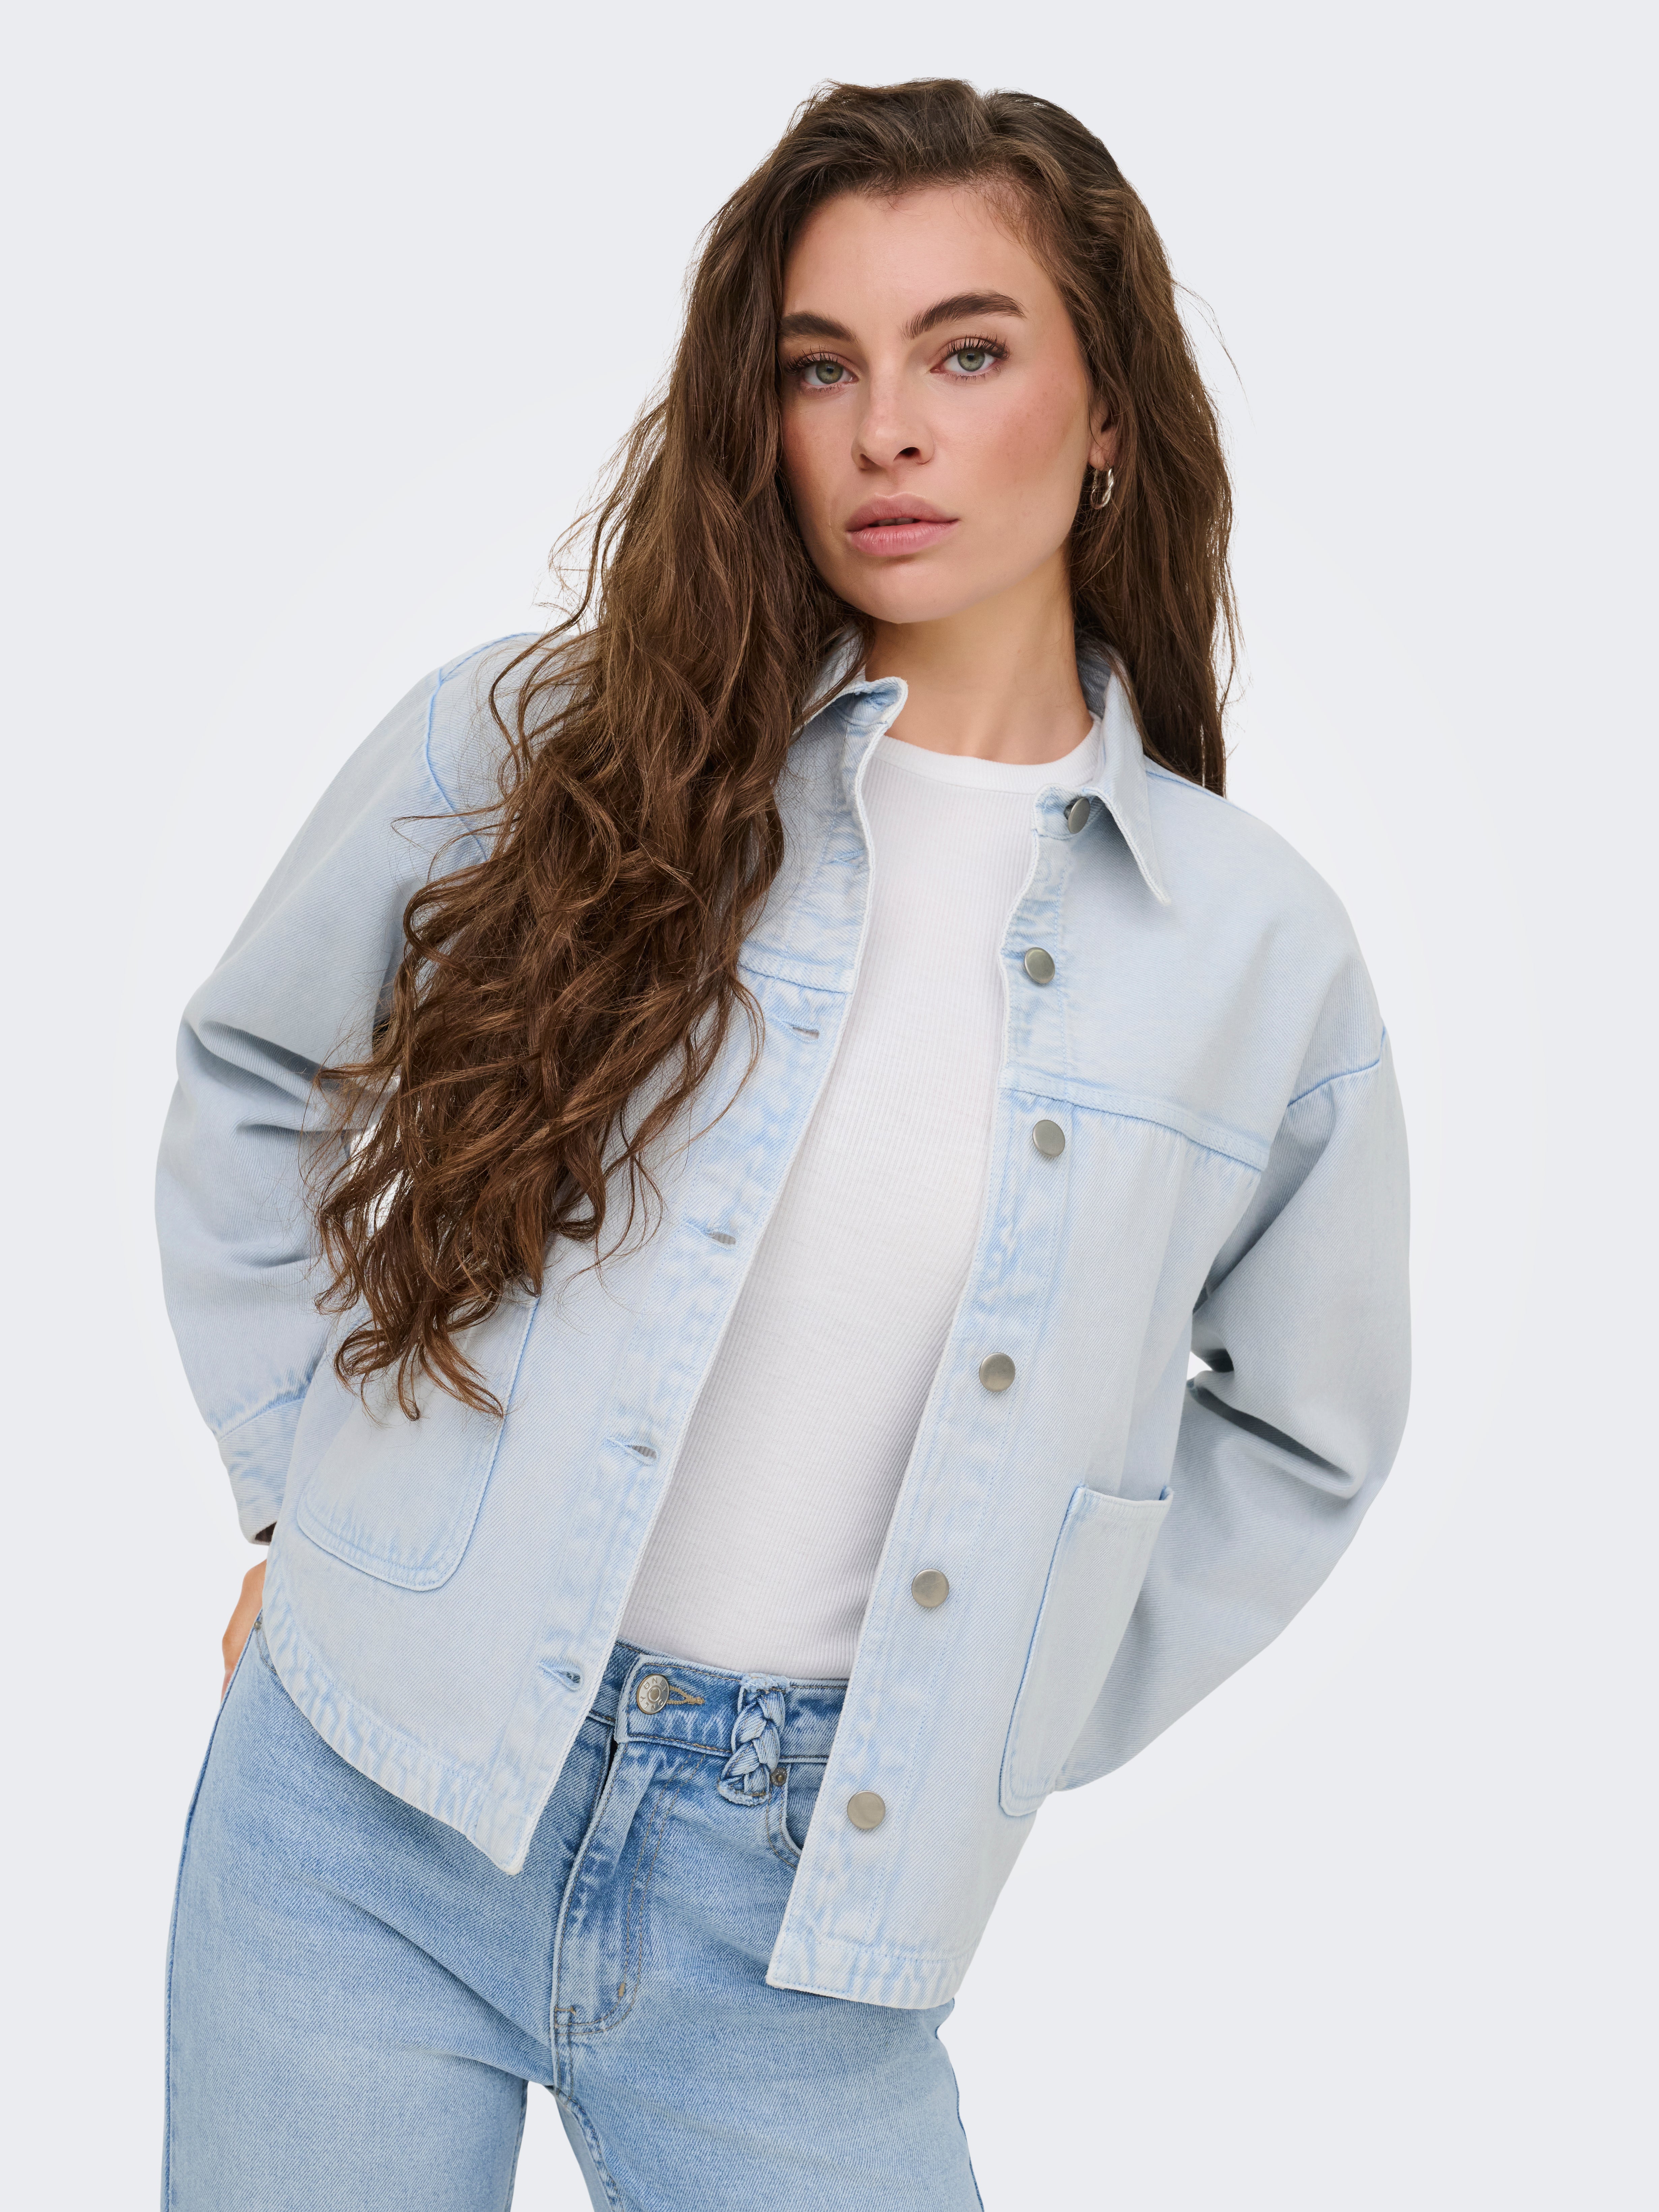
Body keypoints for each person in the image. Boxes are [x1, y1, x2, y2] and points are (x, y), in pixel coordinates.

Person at [156, 77, 1410, 2212]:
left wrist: (993, 1700)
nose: (887, 430)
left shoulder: (1249, 947)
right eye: (822, 366)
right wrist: (307, 1486)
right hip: (361, 1800)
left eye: (968, 352)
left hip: (797, 1906)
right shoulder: (552, 746)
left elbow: (1304, 1427)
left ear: (1112, 413)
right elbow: (261, 1071)